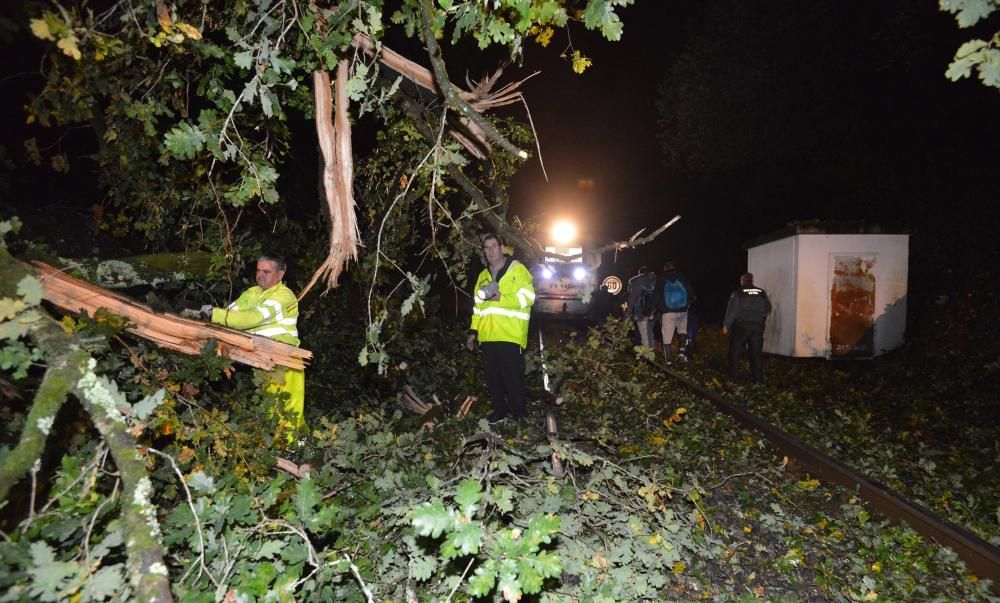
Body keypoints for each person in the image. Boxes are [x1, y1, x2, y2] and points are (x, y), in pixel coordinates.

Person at [184, 255, 305, 433]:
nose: (260, 275)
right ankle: (280, 448)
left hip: (285, 361)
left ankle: (298, 450)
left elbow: (251, 319)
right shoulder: (251, 293)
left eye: (266, 271)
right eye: (258, 270)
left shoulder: (284, 296)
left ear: (280, 274)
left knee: (289, 411)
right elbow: (230, 315)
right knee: (269, 408)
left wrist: (213, 314)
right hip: (263, 360)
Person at [466, 234, 535, 422]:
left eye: (494, 246)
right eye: (486, 248)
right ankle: (499, 411)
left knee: (513, 378)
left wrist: (501, 298)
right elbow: (477, 308)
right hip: (488, 336)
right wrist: (473, 331)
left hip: (510, 335)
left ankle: (519, 415)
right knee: (493, 379)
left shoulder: (517, 270)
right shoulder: (483, 276)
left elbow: (528, 298)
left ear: (502, 247)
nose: (490, 251)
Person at [722, 272, 772, 384]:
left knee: (734, 350)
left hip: (741, 325)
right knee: (756, 353)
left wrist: (726, 325)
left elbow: (732, 310)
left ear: (742, 281)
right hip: (757, 326)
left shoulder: (738, 293)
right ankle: (758, 379)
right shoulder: (761, 292)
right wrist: (758, 316)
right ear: (752, 280)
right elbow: (768, 309)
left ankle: (734, 376)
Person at [658, 261, 696, 363]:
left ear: (665, 268)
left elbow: (656, 296)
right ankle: (682, 354)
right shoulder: (682, 277)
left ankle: (668, 360)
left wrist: (650, 311)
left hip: (667, 311)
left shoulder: (661, 278)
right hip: (682, 310)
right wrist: (688, 303)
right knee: (682, 331)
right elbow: (691, 293)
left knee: (667, 335)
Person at [627, 267, 658, 350]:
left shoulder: (636, 282)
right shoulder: (655, 281)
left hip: (640, 312)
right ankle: (651, 352)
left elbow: (632, 299)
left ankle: (648, 356)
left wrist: (628, 313)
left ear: (639, 274)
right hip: (653, 312)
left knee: (644, 334)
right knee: (650, 332)